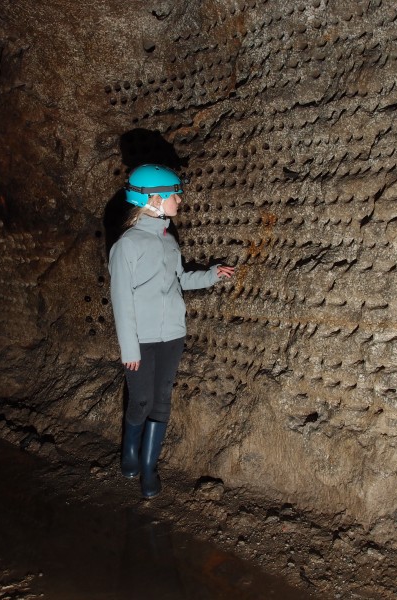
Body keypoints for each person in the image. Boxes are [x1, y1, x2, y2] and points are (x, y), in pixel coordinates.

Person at [108, 164, 234, 498]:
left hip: (172, 335)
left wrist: (211, 275)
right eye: (173, 193)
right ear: (154, 199)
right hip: (142, 340)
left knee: (161, 400)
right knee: (142, 400)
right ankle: (130, 452)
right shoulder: (127, 246)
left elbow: (179, 280)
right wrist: (129, 349)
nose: (179, 199)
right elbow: (121, 301)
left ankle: (149, 469)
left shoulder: (168, 241)